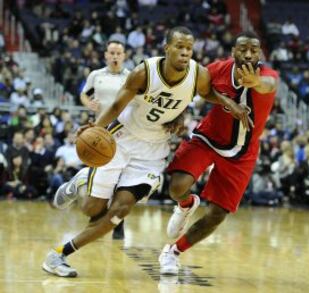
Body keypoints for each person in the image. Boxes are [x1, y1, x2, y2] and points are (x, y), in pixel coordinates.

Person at [42, 26, 251, 278]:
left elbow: (208, 94)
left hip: (152, 152)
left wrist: (231, 105)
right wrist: (96, 129)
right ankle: (82, 180)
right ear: (167, 49)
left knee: (118, 212)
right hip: (121, 140)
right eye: (179, 47)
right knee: (91, 209)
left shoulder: (199, 74)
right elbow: (119, 104)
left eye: (189, 48)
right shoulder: (144, 73)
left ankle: (58, 255)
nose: (185, 53)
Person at [158, 31, 279, 275]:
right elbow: (192, 88)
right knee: (177, 187)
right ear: (233, 52)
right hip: (208, 138)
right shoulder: (217, 69)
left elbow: (269, 85)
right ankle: (186, 204)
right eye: (243, 48)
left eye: (254, 50)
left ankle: (173, 252)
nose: (248, 54)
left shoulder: (267, 76)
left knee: (217, 214)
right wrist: (181, 112)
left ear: (260, 54)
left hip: (242, 153)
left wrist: (255, 83)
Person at [57, 40, 129, 240]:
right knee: (100, 178)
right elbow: (83, 93)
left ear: (124, 56)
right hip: (99, 131)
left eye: (118, 53)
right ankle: (97, 216)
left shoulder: (131, 77)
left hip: (123, 132)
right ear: (106, 55)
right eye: (112, 52)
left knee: (120, 179)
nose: (115, 56)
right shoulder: (95, 75)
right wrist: (88, 102)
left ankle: (118, 222)